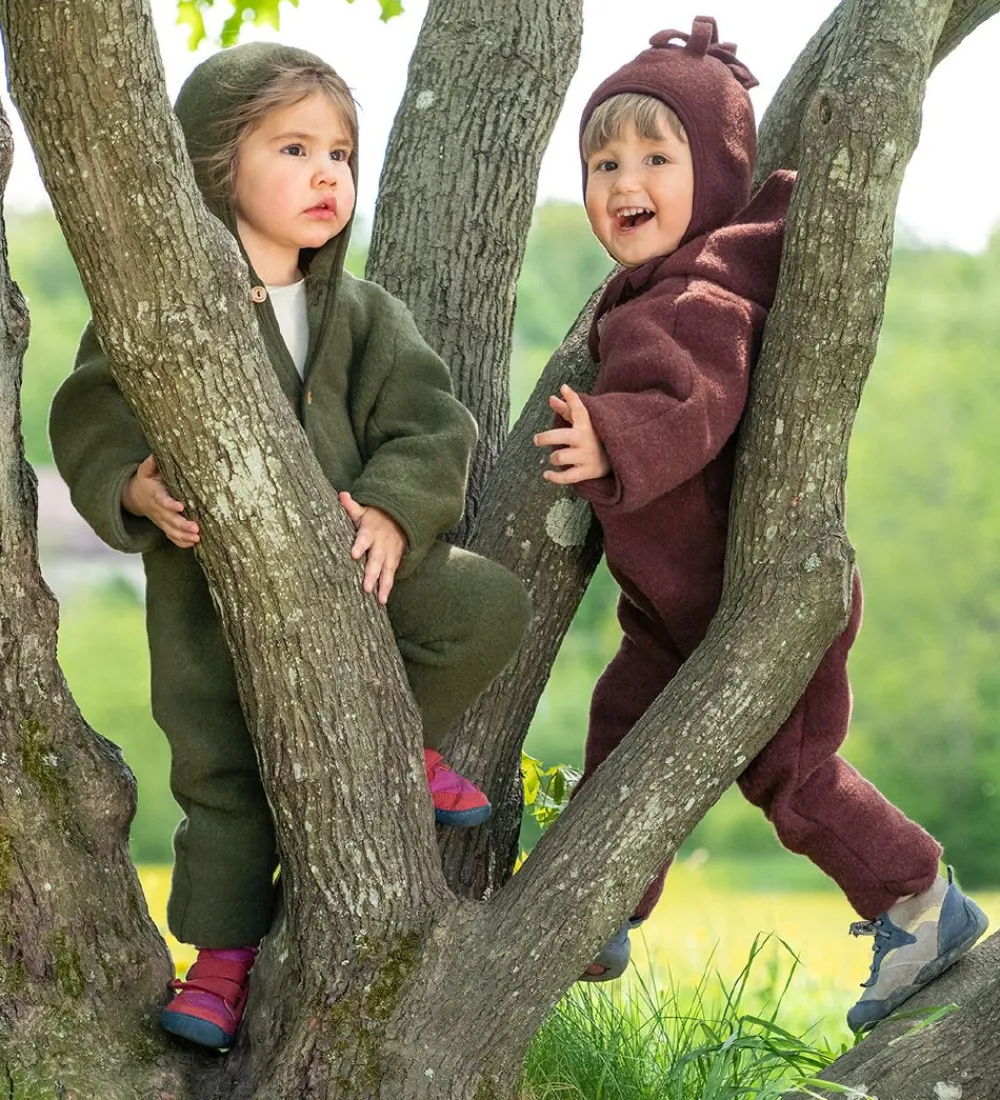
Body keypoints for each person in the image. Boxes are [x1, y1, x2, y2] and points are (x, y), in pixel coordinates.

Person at [49, 42, 531, 1051]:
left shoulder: (362, 317)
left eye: (343, 155)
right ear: (219, 166)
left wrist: (397, 510)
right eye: (296, 148)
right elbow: (91, 414)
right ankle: (221, 963)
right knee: (222, 780)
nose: (328, 175)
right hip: (211, 613)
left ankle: (395, 748)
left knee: (486, 606)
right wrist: (132, 484)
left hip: (364, 581)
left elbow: (432, 424)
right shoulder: (161, 317)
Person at [533, 17, 987, 1032]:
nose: (622, 180)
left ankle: (918, 902)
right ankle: (603, 901)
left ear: (721, 176)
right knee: (620, 725)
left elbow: (698, 399)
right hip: (675, 606)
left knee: (793, 775)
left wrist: (612, 435)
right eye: (603, 160)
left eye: (657, 156)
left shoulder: (697, 295)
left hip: (745, 605)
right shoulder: (656, 285)